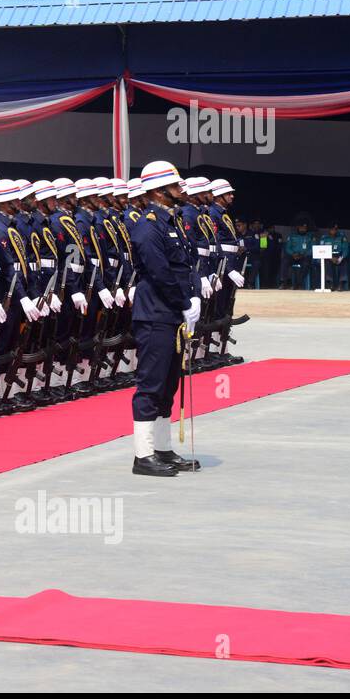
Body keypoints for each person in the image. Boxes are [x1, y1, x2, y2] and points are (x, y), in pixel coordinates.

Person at [128, 160, 200, 477]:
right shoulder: (148, 225)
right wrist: (184, 301)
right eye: (174, 186)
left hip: (171, 312)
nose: (180, 190)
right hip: (156, 312)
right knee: (151, 384)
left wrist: (194, 295)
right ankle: (143, 456)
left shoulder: (171, 222)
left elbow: (186, 264)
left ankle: (162, 449)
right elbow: (159, 273)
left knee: (169, 384)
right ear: (159, 191)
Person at [317, 223, 350, 291]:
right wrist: (330, 258)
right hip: (328, 257)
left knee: (344, 262)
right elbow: (321, 249)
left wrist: (340, 259)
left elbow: (345, 249)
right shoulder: (324, 238)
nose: (334, 231)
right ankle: (330, 283)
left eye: (335, 229)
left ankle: (341, 284)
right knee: (326, 263)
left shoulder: (342, 237)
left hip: (339, 256)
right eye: (332, 229)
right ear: (329, 230)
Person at [284, 222, 313, 289]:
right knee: (285, 261)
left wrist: (303, 255)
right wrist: (293, 254)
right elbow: (287, 248)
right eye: (301, 228)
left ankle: (298, 283)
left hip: (303, 257)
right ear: (298, 228)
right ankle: (283, 282)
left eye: (304, 228)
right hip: (293, 256)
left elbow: (311, 249)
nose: (303, 229)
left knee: (306, 264)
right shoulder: (292, 236)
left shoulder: (310, 236)